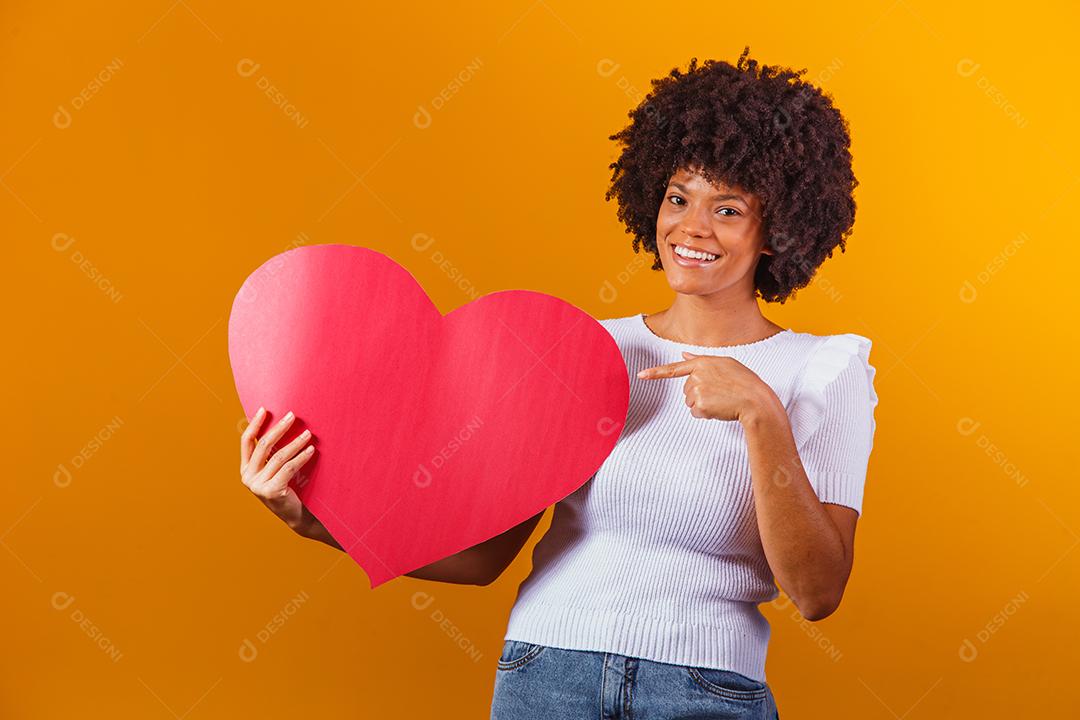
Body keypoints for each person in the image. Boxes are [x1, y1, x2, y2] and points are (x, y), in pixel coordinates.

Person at [239, 46, 878, 720]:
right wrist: (313, 521)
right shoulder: (587, 352)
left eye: (727, 210)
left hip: (706, 689)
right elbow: (485, 556)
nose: (691, 228)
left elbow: (816, 591)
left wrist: (761, 412)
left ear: (775, 229)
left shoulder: (825, 368)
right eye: (678, 197)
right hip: (545, 675)